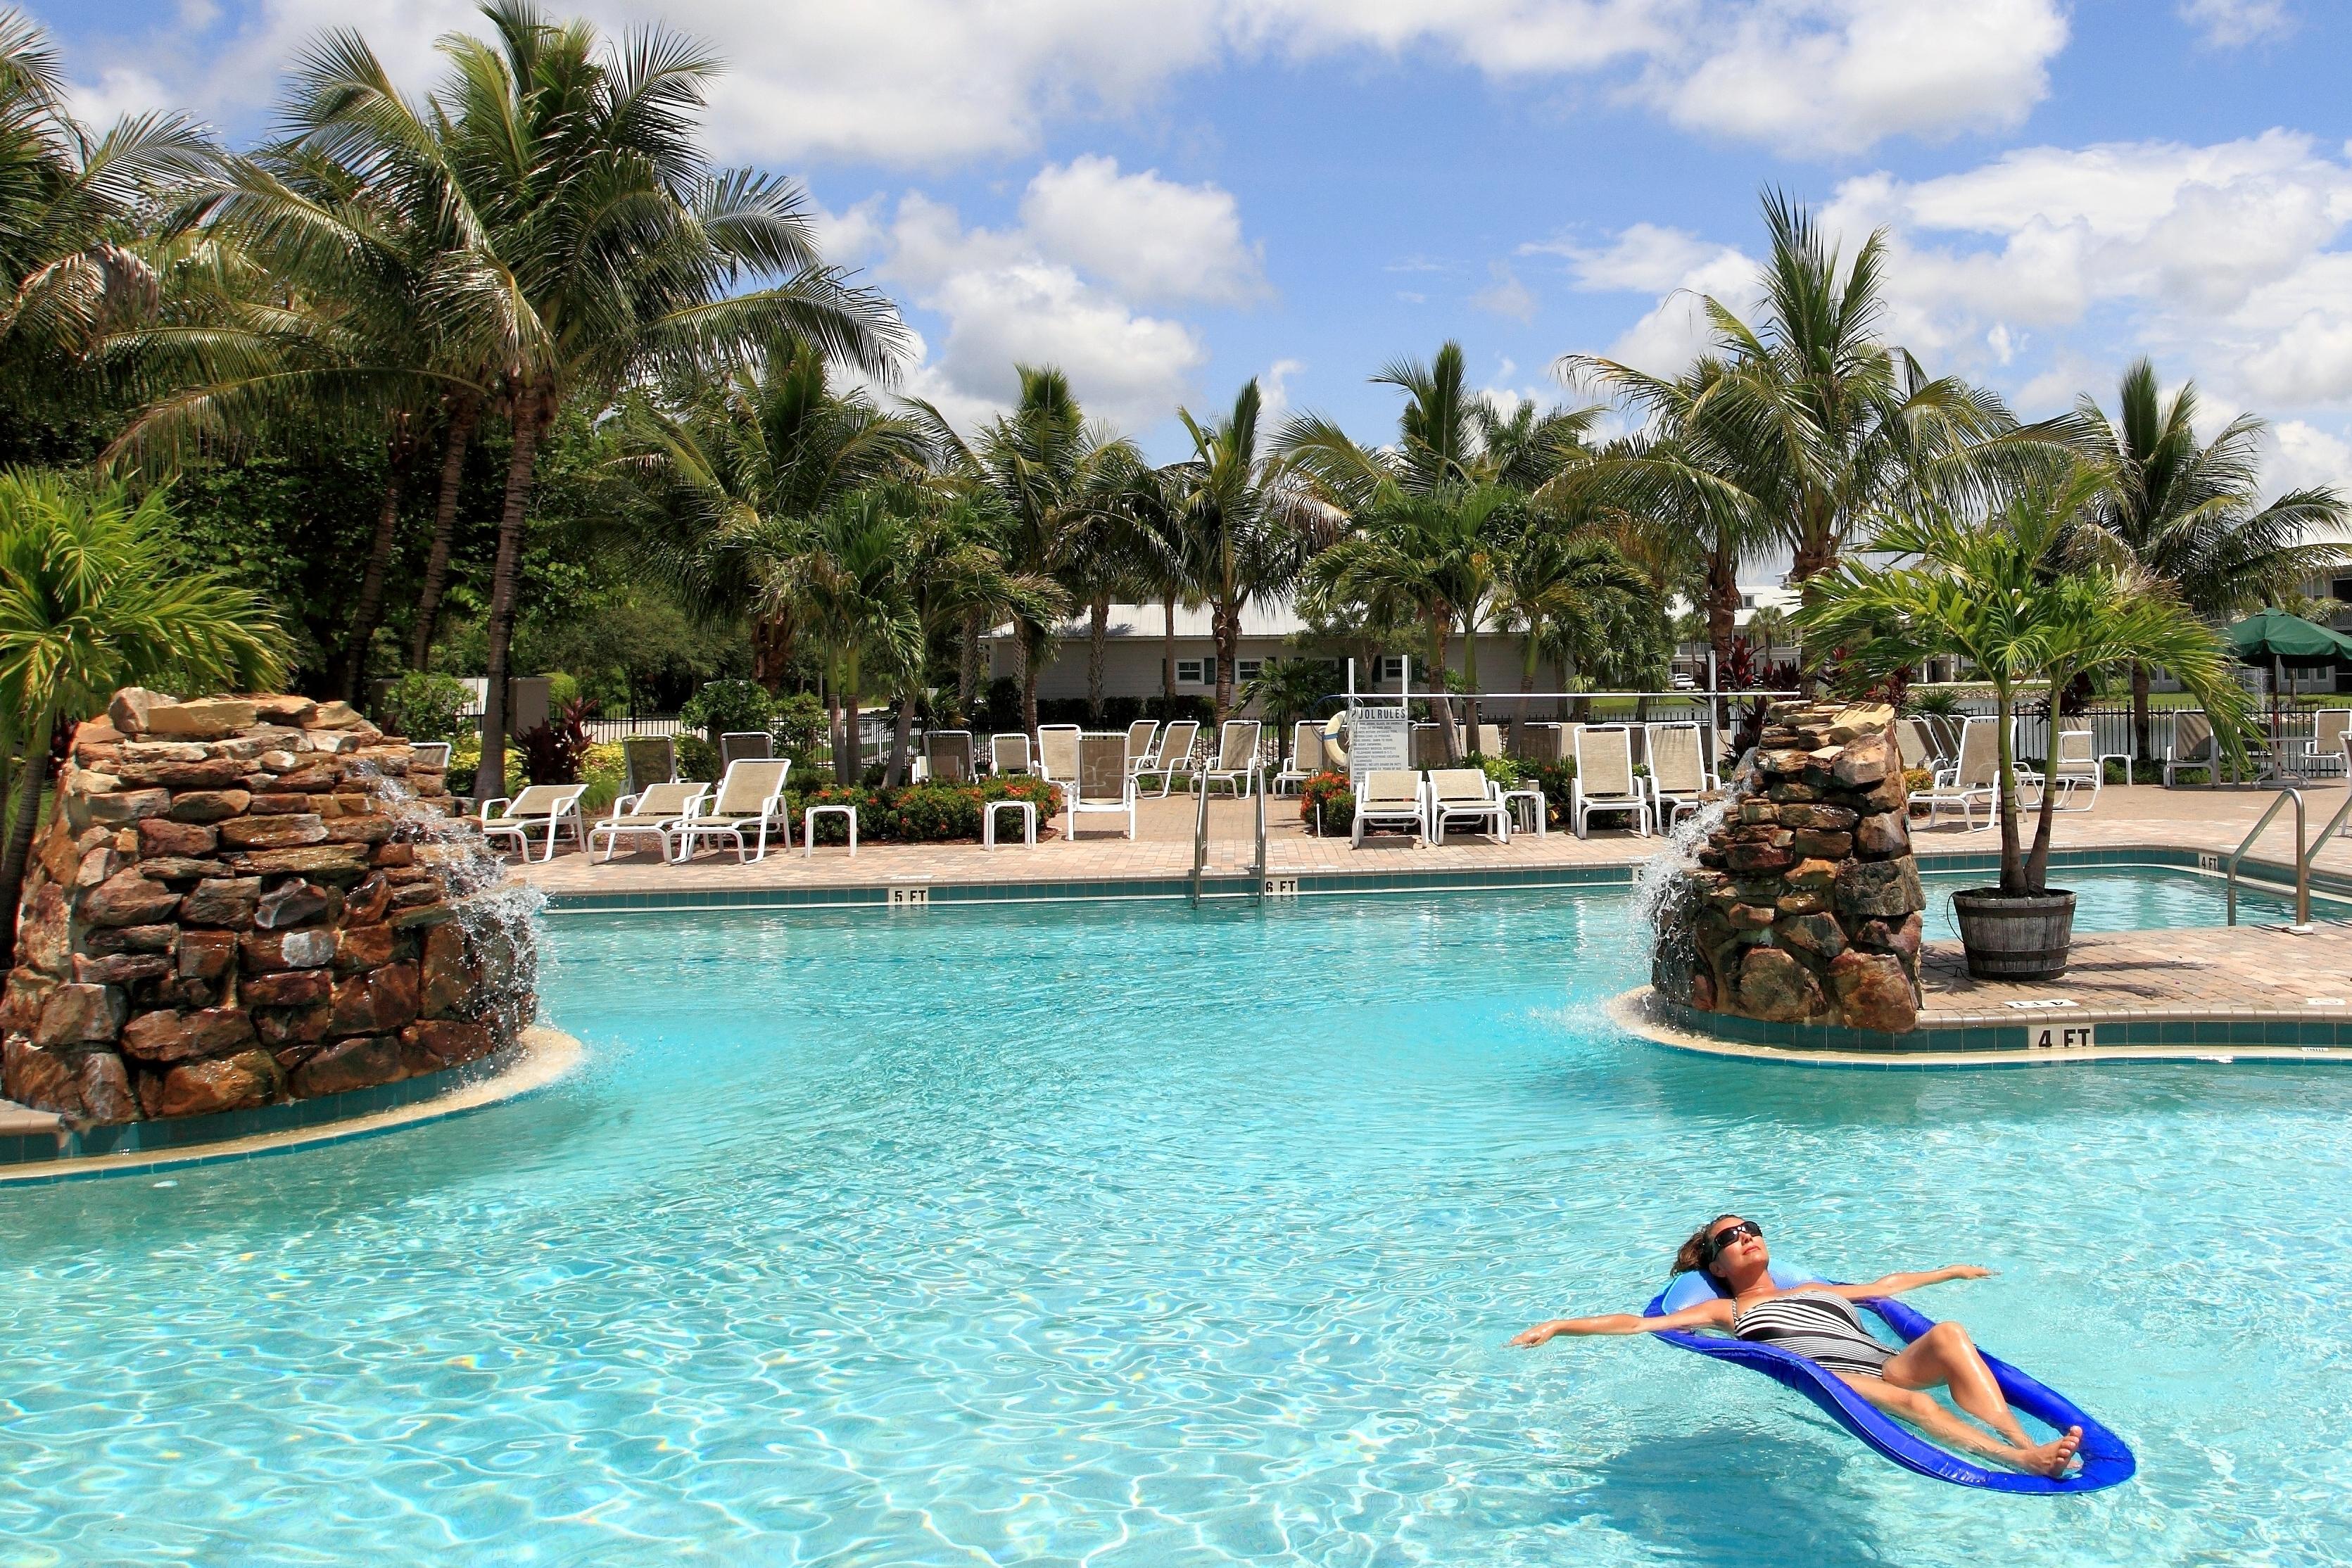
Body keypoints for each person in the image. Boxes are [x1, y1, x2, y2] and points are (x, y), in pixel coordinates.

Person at [1508, 1213, 2082, 1477]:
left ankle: (2014, 1434)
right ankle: (2021, 1459)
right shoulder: (1726, 1308)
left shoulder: (1812, 1287)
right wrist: (1562, 1324)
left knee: (1952, 1334)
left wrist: (1949, 1272)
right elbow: (1636, 1325)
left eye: (1751, 1228)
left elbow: (1884, 1289)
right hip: (1832, 1374)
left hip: (1886, 1364)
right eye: (1730, 1238)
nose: (1746, 1238)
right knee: (1917, 1406)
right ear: (1716, 1264)